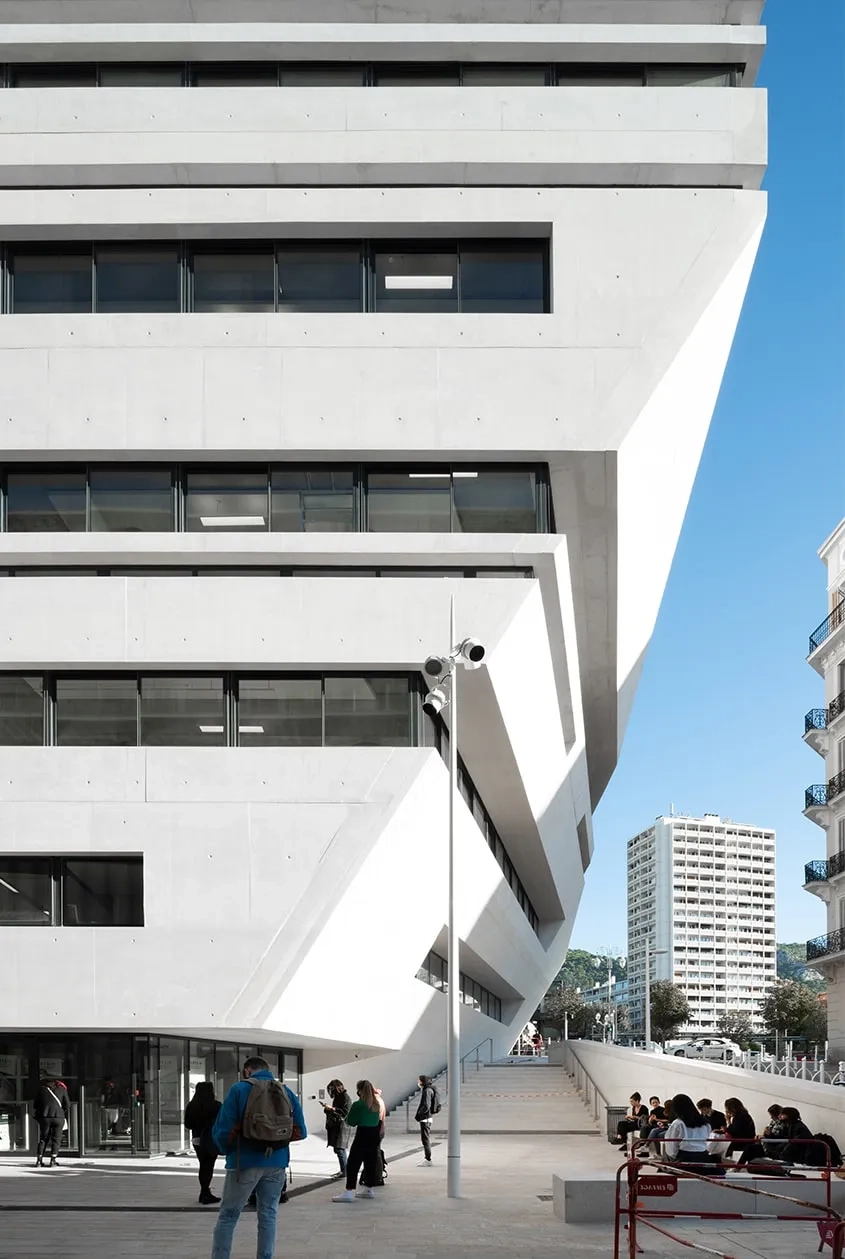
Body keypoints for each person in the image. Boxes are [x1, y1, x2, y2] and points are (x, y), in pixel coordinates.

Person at [210, 1056, 306, 1259]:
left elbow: (223, 1129)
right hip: (277, 1163)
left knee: (228, 1215)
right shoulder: (285, 1091)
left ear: (247, 1071)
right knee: (268, 1214)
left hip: (244, 1162)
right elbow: (301, 1131)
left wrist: (226, 1149)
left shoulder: (239, 1090)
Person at [332, 1080, 383, 1203]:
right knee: (370, 1162)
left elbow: (350, 1122)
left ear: (359, 1091)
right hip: (374, 1135)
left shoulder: (358, 1104)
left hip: (363, 1134)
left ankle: (349, 1191)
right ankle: (369, 1189)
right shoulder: (376, 1104)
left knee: (353, 1163)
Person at [184, 1081, 222, 1204]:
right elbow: (222, 1122)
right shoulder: (216, 1105)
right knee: (209, 1165)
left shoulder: (192, 1105)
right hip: (212, 1139)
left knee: (203, 1165)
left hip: (197, 1139)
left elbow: (188, 1124)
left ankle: (204, 1191)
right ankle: (205, 1193)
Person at [662, 1093, 714, 1170]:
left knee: (665, 1158)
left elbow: (671, 1146)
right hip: (703, 1156)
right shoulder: (705, 1123)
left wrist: (673, 1157)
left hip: (685, 1157)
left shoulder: (678, 1123)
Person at [34, 1077, 69, 1168]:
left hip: (45, 1117)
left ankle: (39, 1160)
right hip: (58, 1117)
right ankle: (53, 1161)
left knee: (43, 1138)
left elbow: (36, 1104)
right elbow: (67, 1104)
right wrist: (61, 1112)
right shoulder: (62, 1090)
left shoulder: (42, 1090)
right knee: (56, 1139)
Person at [719, 1097, 762, 1165]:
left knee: (721, 1146)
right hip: (745, 1139)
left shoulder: (740, 1117)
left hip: (743, 1141)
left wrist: (728, 1121)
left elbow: (734, 1131)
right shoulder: (743, 1115)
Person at [322, 1080, 351, 1178]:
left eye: (331, 1089)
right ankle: (344, 1171)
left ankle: (345, 1171)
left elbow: (345, 1112)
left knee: (340, 1149)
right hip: (336, 1126)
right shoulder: (338, 1098)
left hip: (342, 1126)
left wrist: (332, 1109)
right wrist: (328, 1109)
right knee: (338, 1149)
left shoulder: (345, 1097)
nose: (330, 1092)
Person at [414, 1075, 439, 1167]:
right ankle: (427, 1158)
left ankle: (428, 1159)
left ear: (422, 1081)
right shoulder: (429, 1089)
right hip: (428, 1116)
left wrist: (418, 1115)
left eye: (419, 1081)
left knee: (425, 1139)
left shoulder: (427, 1091)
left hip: (425, 1117)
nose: (418, 1082)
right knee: (425, 1138)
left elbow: (426, 1105)